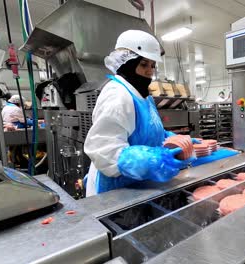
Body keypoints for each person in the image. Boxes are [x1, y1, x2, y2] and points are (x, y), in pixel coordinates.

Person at [84, 30, 196, 197]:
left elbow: (151, 131)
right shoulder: (117, 95)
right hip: (115, 191)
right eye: (144, 64)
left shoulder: (143, 95)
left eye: (152, 65)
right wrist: (154, 159)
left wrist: (175, 141)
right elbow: (104, 151)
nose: (150, 71)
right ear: (127, 62)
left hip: (139, 184)